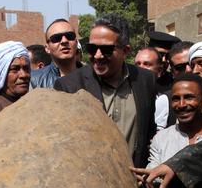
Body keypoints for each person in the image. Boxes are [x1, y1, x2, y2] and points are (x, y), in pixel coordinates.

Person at [54, 14, 156, 167]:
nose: (97, 55)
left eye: (106, 49)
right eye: (92, 48)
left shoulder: (145, 80)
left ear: (126, 50)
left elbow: (148, 133)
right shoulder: (69, 87)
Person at [30, 18, 79, 89]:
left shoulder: (93, 77)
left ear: (76, 43)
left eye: (69, 36)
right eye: (56, 38)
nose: (64, 41)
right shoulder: (33, 80)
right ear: (47, 48)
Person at [135, 46, 173, 130]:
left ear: (159, 71)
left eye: (146, 64)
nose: (140, 68)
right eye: (137, 64)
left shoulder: (166, 100)